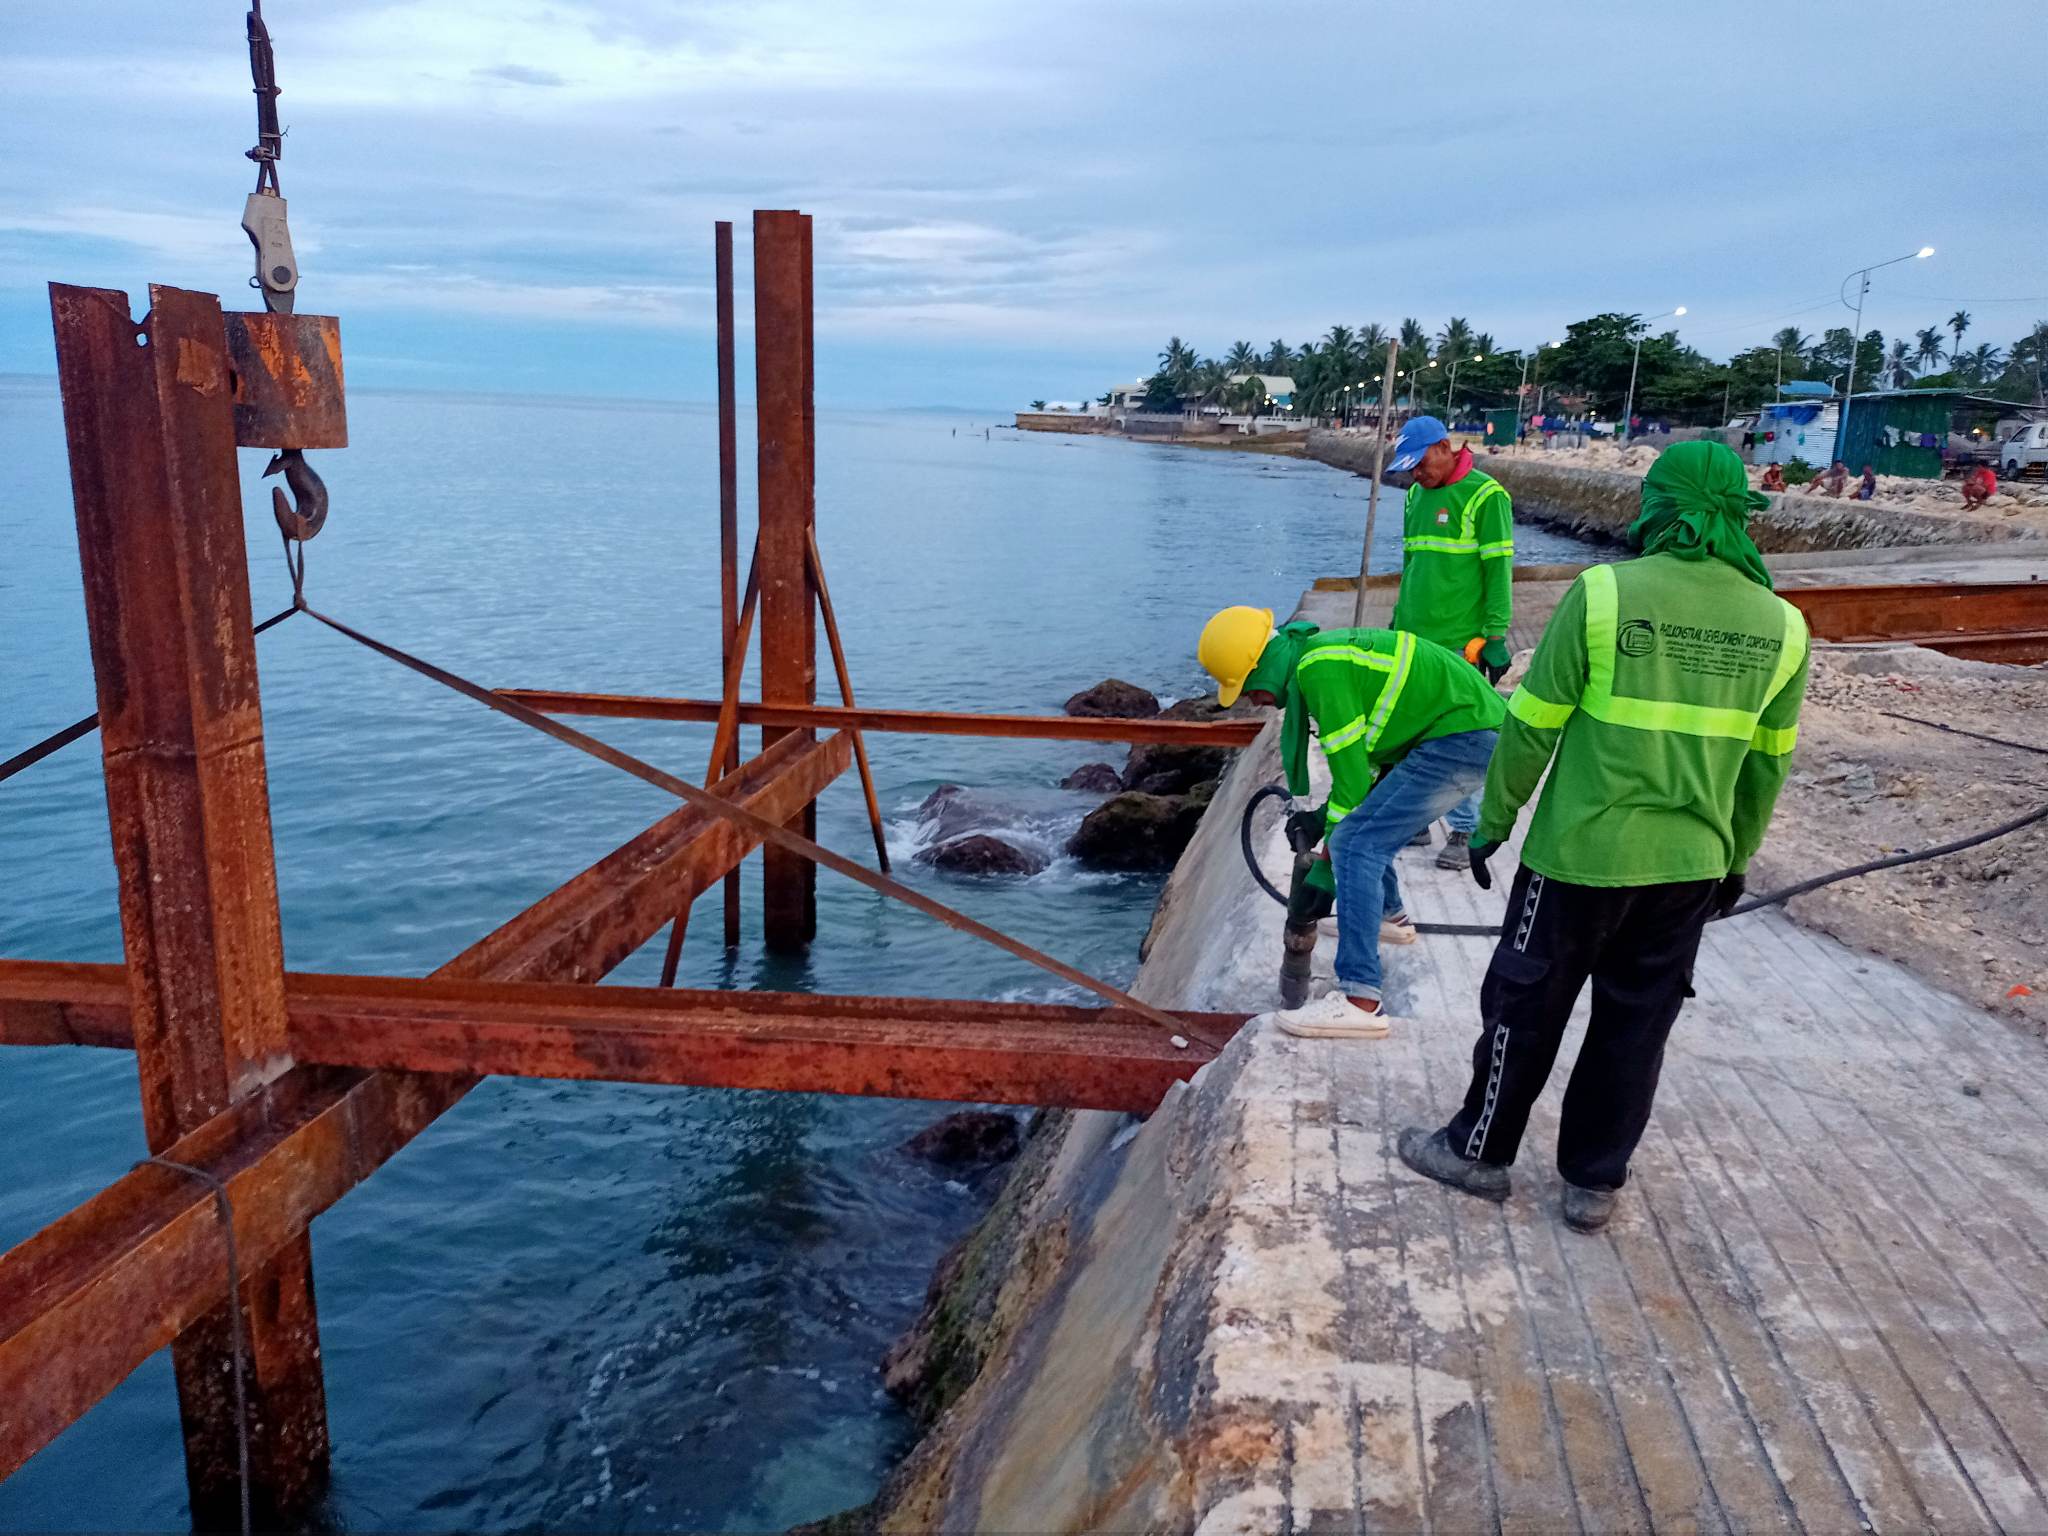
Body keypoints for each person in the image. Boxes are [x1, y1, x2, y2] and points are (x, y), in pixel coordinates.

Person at [1397, 441, 1810, 1232]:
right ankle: (1593, 1183)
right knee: (1636, 1026)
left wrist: (1492, 823)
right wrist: (1735, 860)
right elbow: (1767, 768)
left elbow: (1531, 726)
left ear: (1661, 503)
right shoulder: (1784, 626)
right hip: (1689, 868)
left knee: (1524, 1007)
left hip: (1578, 858)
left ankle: (1479, 1153)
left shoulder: (1604, 594)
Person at [1198, 606, 1505, 1039]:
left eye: (1248, 689)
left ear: (1260, 668)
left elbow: (1353, 783)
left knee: (1356, 846)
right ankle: (1388, 917)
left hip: (1462, 738)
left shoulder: (1319, 671)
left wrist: (1326, 869)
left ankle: (1360, 999)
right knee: (1365, 828)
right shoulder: (1318, 656)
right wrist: (1320, 817)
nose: (1253, 701)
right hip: (1463, 730)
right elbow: (1362, 777)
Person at [1384, 414, 1514, 871]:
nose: (1416, 475)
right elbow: (1412, 565)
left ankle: (1464, 829)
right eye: (1409, 469)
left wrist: (1495, 635)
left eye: (1420, 464)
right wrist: (1397, 621)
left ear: (1444, 447)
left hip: (1460, 644)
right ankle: (1418, 818)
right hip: (1413, 638)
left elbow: (1498, 571)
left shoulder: (1486, 496)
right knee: (1409, 733)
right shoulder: (1415, 496)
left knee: (1458, 738)